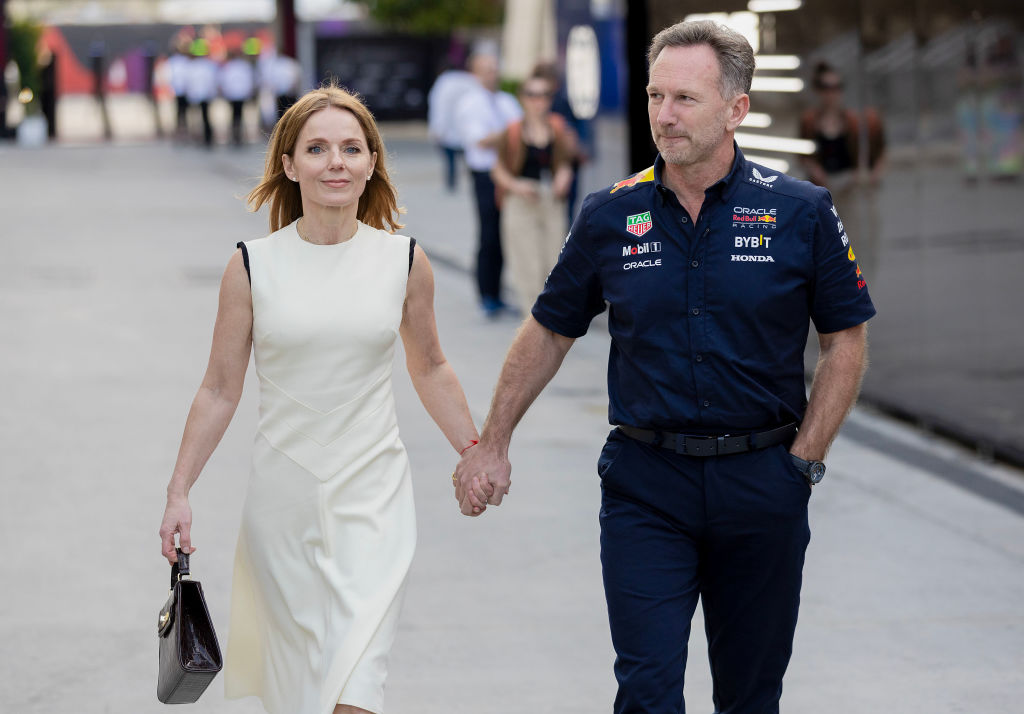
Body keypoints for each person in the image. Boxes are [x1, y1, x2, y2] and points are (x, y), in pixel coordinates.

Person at [453, 20, 875, 714]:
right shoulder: (610, 214)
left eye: (684, 98)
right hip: (647, 487)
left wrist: (803, 463)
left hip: (761, 482)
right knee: (646, 693)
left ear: (736, 108)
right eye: (655, 95)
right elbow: (550, 330)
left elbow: (846, 342)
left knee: (750, 695)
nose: (663, 115)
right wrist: (493, 439)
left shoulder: (799, 211)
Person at [158, 83, 479, 714]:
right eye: (317, 148)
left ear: (370, 164)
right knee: (302, 693)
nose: (336, 161)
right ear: (289, 165)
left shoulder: (405, 261)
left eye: (352, 148)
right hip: (284, 508)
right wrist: (179, 491)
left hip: (374, 500)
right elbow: (220, 389)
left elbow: (432, 366)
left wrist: (475, 449)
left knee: (358, 682)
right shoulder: (251, 266)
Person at [491, 72, 576, 316]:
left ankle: (552, 316)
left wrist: (563, 174)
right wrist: (516, 186)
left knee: (554, 261)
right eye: (532, 95)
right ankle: (533, 318)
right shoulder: (513, 131)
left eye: (544, 95)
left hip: (550, 199)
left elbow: (565, 162)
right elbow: (496, 169)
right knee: (526, 263)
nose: (538, 101)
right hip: (520, 199)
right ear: (522, 98)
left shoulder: (557, 127)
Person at [452, 52, 522, 317]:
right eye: (487, 69)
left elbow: (519, 132)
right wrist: (510, 134)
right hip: (485, 175)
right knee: (488, 234)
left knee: (506, 233)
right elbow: (481, 140)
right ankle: (486, 295)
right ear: (475, 74)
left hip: (509, 171)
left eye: (495, 68)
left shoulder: (506, 100)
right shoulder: (470, 104)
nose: (493, 74)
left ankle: (498, 293)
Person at [799, 61, 885, 275]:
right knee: (822, 249)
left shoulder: (855, 121)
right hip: (822, 190)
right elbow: (803, 153)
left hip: (850, 188)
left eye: (836, 87)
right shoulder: (810, 120)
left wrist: (870, 176)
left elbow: (879, 151)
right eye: (826, 88)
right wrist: (815, 170)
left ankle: (859, 295)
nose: (832, 94)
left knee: (854, 244)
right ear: (818, 91)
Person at [426, 64, 475, 191]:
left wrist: (437, 128)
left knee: (450, 159)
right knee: (470, 158)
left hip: (448, 130)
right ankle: (473, 180)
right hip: (466, 129)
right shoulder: (469, 81)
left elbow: (439, 107)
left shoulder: (443, 83)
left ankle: (451, 183)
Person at [219, 47, 255, 145]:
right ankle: (237, 135)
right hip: (240, 94)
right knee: (238, 115)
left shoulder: (229, 66)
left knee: (235, 115)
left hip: (233, 94)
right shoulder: (243, 66)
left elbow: (224, 81)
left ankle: (236, 135)